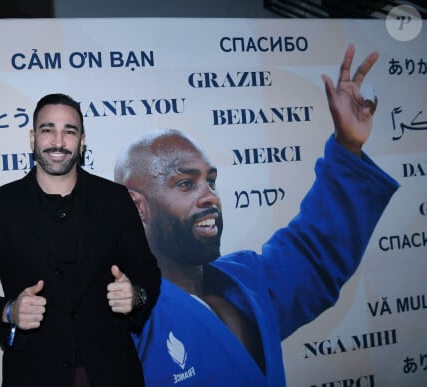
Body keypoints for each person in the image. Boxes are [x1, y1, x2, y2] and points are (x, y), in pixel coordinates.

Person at [114, 45, 399, 386]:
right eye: (186, 184)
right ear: (136, 206)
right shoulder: (122, 314)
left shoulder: (246, 280)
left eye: (212, 181)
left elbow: (317, 252)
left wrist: (348, 146)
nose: (210, 196)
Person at [0, 93, 161, 387]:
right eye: (47, 129)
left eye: (69, 131)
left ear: (82, 141)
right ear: (32, 138)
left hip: (113, 371)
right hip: (33, 373)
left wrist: (135, 296)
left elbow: (147, 273)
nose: (58, 141)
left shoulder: (114, 200)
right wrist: (9, 311)